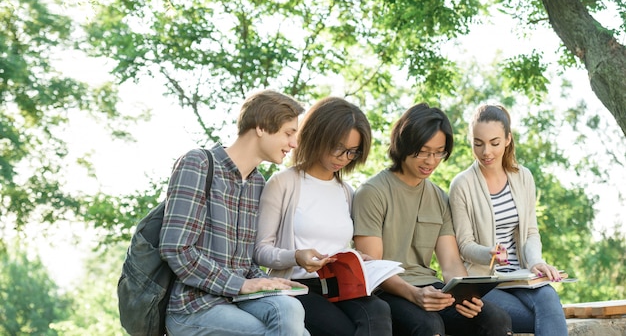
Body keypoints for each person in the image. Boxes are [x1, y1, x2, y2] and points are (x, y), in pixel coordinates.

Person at [352, 103, 513, 336]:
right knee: (429, 325)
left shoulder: (438, 197)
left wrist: (469, 297)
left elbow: (450, 264)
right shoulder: (372, 192)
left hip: (430, 288)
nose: (431, 161)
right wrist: (414, 294)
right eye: (424, 151)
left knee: (495, 318)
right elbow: (373, 269)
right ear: (404, 144)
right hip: (387, 292)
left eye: (439, 152)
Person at [159, 89, 310, 336]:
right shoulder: (198, 163)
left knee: (290, 308)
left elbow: (244, 261)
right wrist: (241, 285)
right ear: (261, 127)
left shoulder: (257, 183)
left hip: (238, 301)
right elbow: (176, 249)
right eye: (288, 133)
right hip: (195, 307)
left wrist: (267, 283)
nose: (294, 144)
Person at [254, 96, 393, 336]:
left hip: (341, 287)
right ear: (318, 135)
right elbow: (260, 251)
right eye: (338, 147)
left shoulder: (346, 192)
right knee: (342, 330)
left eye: (352, 152)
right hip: (298, 286)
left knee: (378, 311)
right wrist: (296, 256)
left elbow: (337, 245)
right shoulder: (284, 183)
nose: (343, 158)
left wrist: (357, 258)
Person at [448, 104, 568, 336]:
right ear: (470, 140)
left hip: (521, 276)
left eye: (494, 143)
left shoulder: (523, 177)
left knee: (549, 297)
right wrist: (489, 253)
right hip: (486, 282)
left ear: (507, 139)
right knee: (547, 315)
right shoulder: (461, 184)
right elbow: (464, 244)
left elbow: (531, 232)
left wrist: (535, 262)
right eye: (478, 143)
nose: (486, 152)